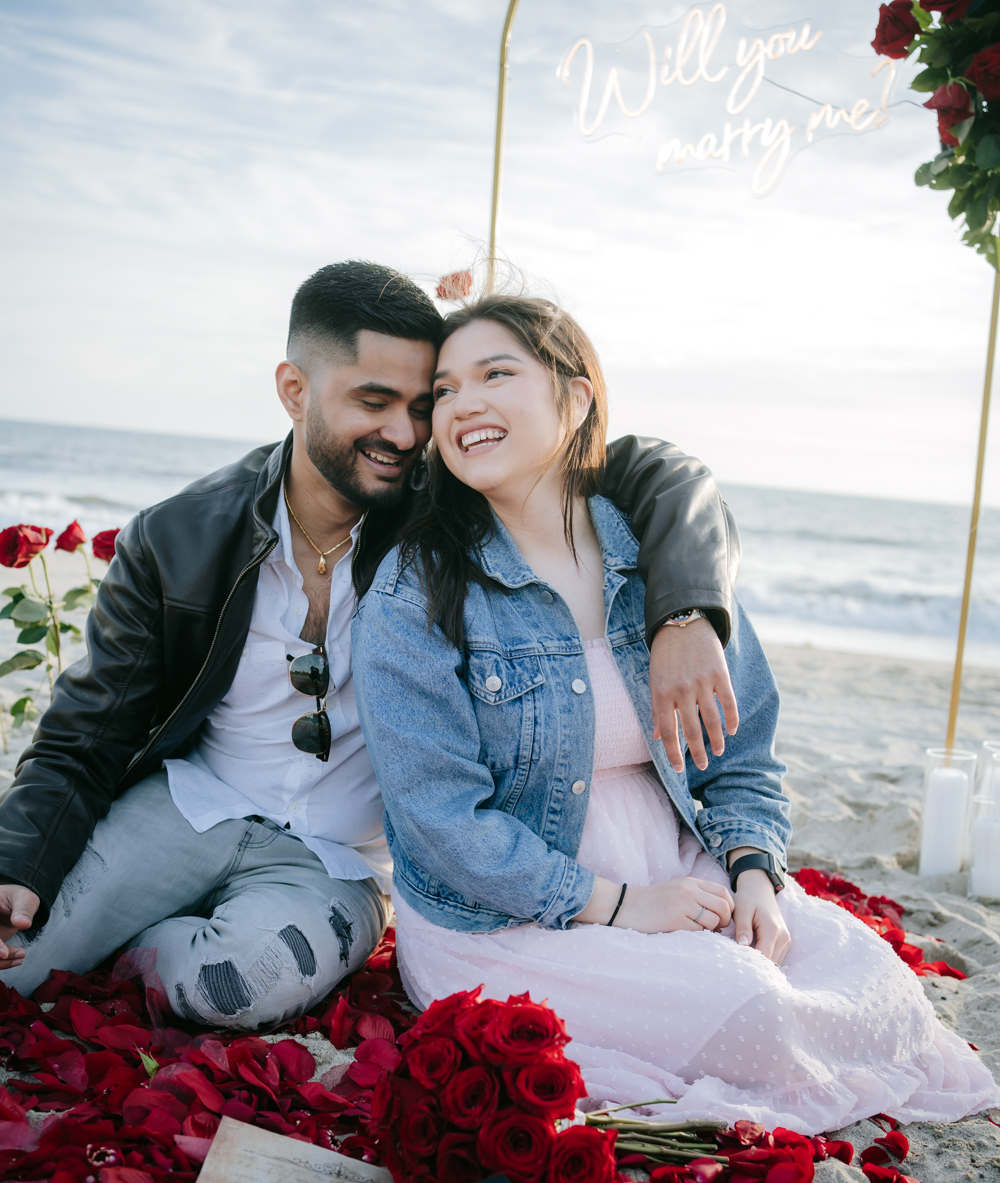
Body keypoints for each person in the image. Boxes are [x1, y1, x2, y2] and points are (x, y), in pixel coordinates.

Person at [0, 261, 742, 1032]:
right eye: (373, 401)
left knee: (227, 988)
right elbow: (87, 728)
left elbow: (660, 471)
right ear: (295, 390)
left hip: (341, 860)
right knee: (21, 960)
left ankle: (150, 948)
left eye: (423, 406)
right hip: (188, 806)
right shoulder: (179, 537)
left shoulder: (447, 510)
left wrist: (688, 612)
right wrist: (18, 861)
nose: (406, 433)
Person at [352, 292, 1000, 1132]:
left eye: (496, 374)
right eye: (444, 389)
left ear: (575, 397)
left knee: (870, 979)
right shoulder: (417, 586)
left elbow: (743, 750)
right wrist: (619, 906)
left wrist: (754, 871)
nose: (463, 403)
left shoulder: (658, 561)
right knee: (754, 1013)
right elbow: (439, 818)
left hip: (671, 858)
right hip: (508, 911)